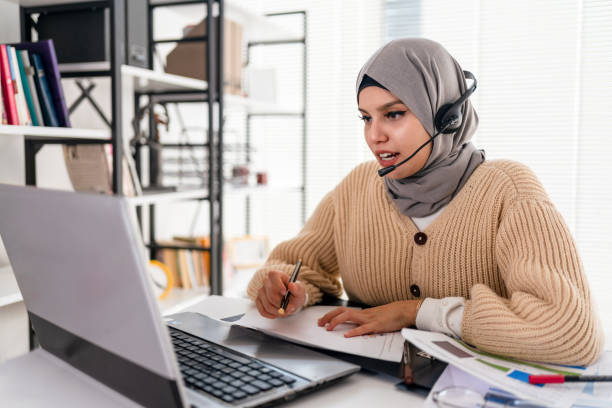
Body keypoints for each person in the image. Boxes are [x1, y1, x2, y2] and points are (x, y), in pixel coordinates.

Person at [246, 38, 603, 365]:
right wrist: (287, 291)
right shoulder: (357, 187)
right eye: (366, 118)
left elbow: (571, 332)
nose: (374, 135)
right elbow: (291, 265)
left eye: (394, 114)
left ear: (447, 119)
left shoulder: (508, 190)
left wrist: (418, 312)